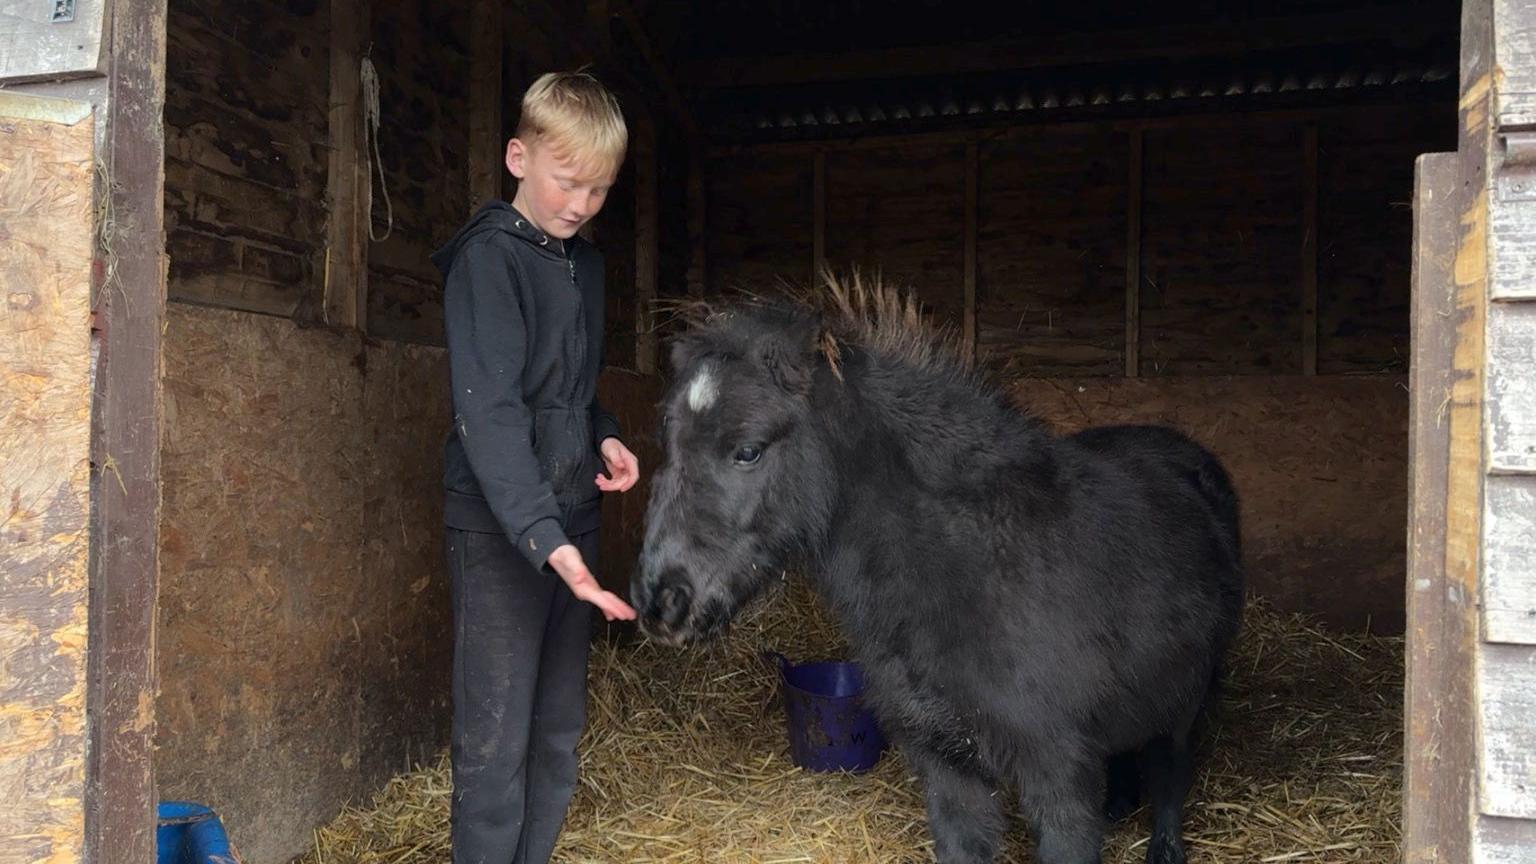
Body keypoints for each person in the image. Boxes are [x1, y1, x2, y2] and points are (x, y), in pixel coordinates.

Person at [430, 69, 639, 864]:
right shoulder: (491, 261)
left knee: (557, 732)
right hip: (500, 532)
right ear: (519, 157)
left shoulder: (582, 265)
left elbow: (568, 394)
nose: (581, 204)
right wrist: (545, 540)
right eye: (567, 180)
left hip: (567, 522)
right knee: (495, 739)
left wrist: (607, 435)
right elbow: (491, 412)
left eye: (599, 189)